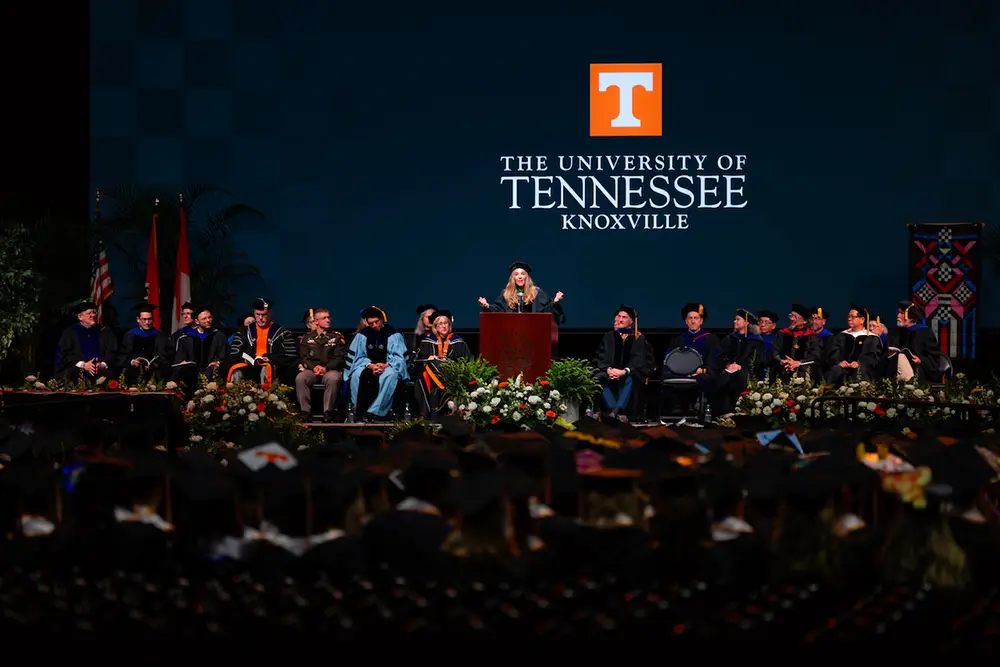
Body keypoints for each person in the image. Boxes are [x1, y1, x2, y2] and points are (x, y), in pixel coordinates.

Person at [345, 306, 408, 422]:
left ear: (381, 319)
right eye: (371, 323)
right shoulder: (362, 335)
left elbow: (399, 357)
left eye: (376, 322)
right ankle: (359, 410)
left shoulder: (393, 334)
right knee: (356, 375)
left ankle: (374, 412)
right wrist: (371, 366)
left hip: (388, 365)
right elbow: (358, 357)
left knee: (391, 375)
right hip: (367, 365)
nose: (374, 325)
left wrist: (385, 365)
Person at [593, 305, 654, 421]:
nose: (620, 320)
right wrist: (609, 370)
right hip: (610, 372)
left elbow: (640, 361)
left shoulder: (638, 338)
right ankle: (614, 410)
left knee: (632, 378)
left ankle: (617, 410)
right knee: (598, 378)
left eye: (624, 317)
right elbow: (600, 358)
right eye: (619, 316)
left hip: (629, 372)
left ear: (631, 321)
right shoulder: (609, 336)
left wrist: (624, 371)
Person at [413, 309, 472, 418]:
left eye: (446, 323)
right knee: (422, 378)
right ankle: (429, 414)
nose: (443, 326)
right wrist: (428, 359)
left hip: (453, 377)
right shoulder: (427, 341)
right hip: (431, 378)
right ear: (435, 327)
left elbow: (467, 362)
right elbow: (417, 362)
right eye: (440, 324)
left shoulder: (458, 342)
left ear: (449, 326)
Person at [705, 309, 764, 416]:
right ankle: (722, 414)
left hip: (747, 371)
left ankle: (737, 413)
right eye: (735, 319)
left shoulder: (756, 341)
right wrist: (727, 364)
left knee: (738, 378)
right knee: (717, 380)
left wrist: (740, 366)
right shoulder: (729, 339)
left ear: (746, 323)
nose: (734, 321)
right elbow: (719, 356)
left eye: (738, 319)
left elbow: (758, 360)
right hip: (728, 370)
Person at [225, 298, 298, 386]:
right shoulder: (243, 332)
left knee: (266, 368)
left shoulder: (282, 333)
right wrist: (245, 359)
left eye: (264, 315)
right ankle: (236, 397)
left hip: (271, 366)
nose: (260, 318)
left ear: (270, 313)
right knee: (236, 369)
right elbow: (234, 353)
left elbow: (290, 356)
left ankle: (267, 398)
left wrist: (270, 358)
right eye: (257, 314)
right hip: (248, 365)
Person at [294, 308, 347, 422]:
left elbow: (339, 358)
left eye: (328, 317)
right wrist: (314, 368)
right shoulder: (306, 338)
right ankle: (305, 412)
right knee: (301, 377)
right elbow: (304, 357)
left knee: (334, 378)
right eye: (324, 318)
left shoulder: (336, 338)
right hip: (313, 370)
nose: (328, 320)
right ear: (316, 321)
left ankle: (328, 412)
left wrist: (325, 368)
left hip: (329, 370)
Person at [477, 261, 565, 323]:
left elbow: (546, 312)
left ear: (527, 277)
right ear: (513, 278)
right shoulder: (506, 294)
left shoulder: (537, 293)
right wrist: (487, 306)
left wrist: (555, 302)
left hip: (534, 333)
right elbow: (498, 311)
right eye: (516, 274)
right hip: (511, 334)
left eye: (523, 273)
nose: (520, 276)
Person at [879, 301, 945, 383]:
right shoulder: (894, 333)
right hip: (894, 369)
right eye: (898, 313)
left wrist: (920, 360)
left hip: (916, 370)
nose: (898, 316)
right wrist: (890, 354)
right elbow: (884, 353)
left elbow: (934, 357)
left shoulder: (925, 333)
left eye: (901, 313)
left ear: (910, 317)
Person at [54, 299, 119, 382]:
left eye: (94, 312)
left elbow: (112, 351)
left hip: (102, 372)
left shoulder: (105, 331)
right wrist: (83, 364)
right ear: (80, 317)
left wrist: (102, 365)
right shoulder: (71, 332)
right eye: (89, 313)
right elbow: (64, 354)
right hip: (78, 372)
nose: (93, 315)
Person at [169, 306, 228, 388]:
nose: (208, 320)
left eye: (209, 317)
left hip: (210, 371)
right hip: (191, 372)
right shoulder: (187, 337)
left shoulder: (218, 336)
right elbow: (181, 356)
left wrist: (217, 362)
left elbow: (224, 355)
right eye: (204, 319)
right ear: (197, 321)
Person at [825, 305, 883, 385]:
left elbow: (873, 356)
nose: (849, 319)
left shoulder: (872, 338)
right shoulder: (841, 335)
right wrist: (839, 362)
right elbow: (834, 352)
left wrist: (859, 363)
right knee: (835, 370)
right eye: (849, 316)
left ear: (862, 320)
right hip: (843, 367)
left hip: (861, 368)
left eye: (852, 317)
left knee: (860, 370)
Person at [118, 303, 169, 384]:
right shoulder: (130, 335)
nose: (147, 322)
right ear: (138, 319)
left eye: (149, 319)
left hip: (153, 374)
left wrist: (154, 364)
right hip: (133, 374)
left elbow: (163, 356)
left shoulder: (159, 335)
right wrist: (132, 362)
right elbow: (122, 355)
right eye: (144, 319)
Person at [771, 303, 822, 382]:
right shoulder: (782, 334)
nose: (792, 319)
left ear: (804, 321)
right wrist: (782, 361)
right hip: (783, 369)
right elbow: (775, 352)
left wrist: (798, 363)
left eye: (795, 317)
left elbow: (816, 357)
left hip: (804, 371)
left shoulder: (812, 337)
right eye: (791, 315)